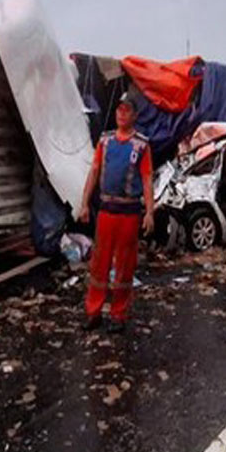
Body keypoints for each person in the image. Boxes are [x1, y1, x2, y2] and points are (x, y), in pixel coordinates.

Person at [76, 93, 154, 333]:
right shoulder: (105, 141)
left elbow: (147, 178)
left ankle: (119, 314)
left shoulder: (141, 145)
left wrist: (150, 212)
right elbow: (95, 171)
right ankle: (94, 312)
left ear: (134, 115)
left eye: (127, 110)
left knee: (124, 266)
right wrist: (84, 203)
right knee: (99, 264)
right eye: (119, 109)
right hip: (107, 211)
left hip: (129, 212)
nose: (121, 113)